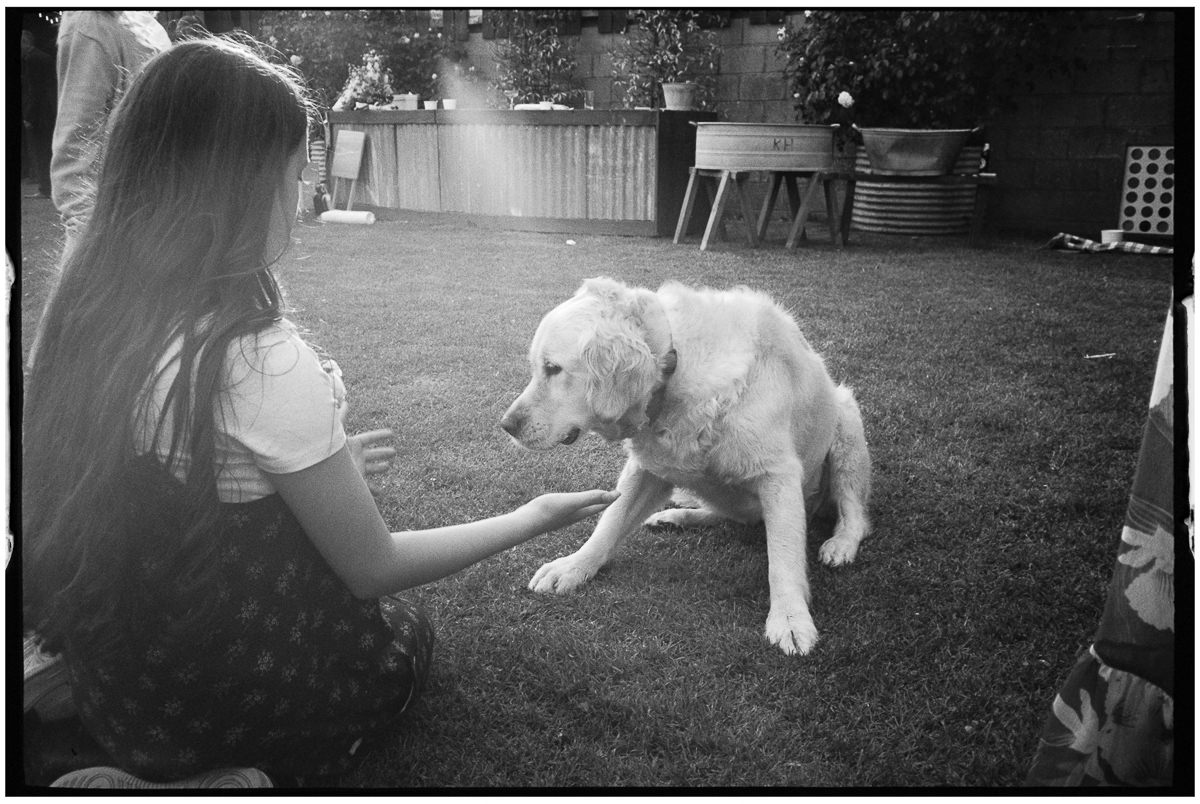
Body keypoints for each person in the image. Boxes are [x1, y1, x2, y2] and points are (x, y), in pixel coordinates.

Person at [22, 37, 617, 789]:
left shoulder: (85, 321)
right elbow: (374, 568)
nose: (301, 202)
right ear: (239, 188)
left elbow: (178, 492)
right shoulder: (257, 359)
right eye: (292, 176)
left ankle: (116, 738)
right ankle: (224, 778)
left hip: (128, 685)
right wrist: (535, 514)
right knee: (403, 639)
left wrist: (298, 483)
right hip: (232, 693)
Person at [50, 11, 170, 255]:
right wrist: (89, 245)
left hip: (157, 222)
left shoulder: (150, 27)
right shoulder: (92, 23)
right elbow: (75, 147)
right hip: (115, 231)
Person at [20, 30, 56, 199]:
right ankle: (48, 186)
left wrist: (28, 115)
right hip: (48, 111)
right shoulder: (43, 57)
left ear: (25, 43)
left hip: (40, 114)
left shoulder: (33, 59)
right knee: (46, 150)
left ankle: (45, 188)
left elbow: (35, 90)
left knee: (40, 151)